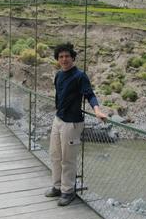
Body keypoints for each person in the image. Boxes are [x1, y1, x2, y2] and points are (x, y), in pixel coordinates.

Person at [45, 42, 107, 206]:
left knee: (68, 159)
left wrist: (97, 110)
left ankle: (68, 191)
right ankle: (57, 187)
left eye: (67, 56)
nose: (64, 59)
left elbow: (89, 94)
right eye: (61, 57)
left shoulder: (80, 76)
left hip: (72, 124)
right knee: (55, 156)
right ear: (57, 59)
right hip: (58, 120)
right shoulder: (58, 75)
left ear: (72, 57)